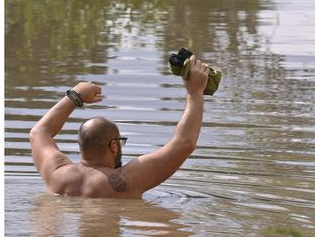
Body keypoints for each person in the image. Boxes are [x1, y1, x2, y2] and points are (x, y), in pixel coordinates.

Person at [29, 55, 211, 198]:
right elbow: (184, 143)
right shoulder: (126, 180)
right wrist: (195, 92)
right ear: (113, 145)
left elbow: (39, 133)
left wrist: (74, 96)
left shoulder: (56, 174)